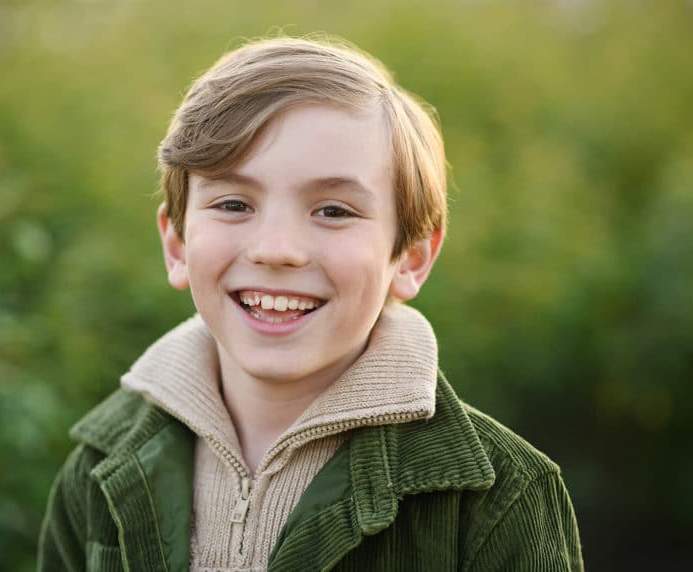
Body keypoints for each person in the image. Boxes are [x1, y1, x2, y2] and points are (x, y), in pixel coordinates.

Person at [38, 36, 584, 571]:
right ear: (177, 244)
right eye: (233, 203)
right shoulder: (97, 471)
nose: (277, 250)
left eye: (333, 211)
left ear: (411, 257)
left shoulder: (500, 499)